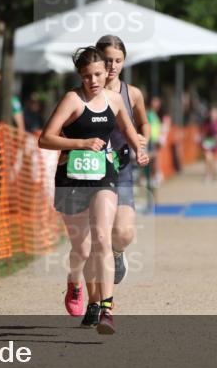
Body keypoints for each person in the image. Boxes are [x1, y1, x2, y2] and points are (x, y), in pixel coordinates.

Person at [38, 47, 148, 334]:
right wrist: (81, 144)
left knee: (102, 238)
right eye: (87, 76)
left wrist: (139, 149)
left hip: (103, 175)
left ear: (106, 72)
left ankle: (106, 309)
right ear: (79, 76)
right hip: (71, 178)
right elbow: (45, 139)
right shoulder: (72, 100)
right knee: (82, 248)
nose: (94, 80)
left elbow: (127, 129)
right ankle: (74, 282)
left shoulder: (114, 99)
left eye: (98, 74)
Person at [95, 35, 149, 287]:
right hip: (91, 169)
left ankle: (117, 254)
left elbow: (144, 123)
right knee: (94, 236)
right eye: (107, 60)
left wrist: (142, 142)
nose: (112, 66)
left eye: (118, 60)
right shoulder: (85, 93)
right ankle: (96, 299)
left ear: (124, 62)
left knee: (124, 233)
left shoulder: (133, 94)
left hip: (122, 167)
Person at [199, 106, 217, 183]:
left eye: (215, 113)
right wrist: (201, 138)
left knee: (214, 162)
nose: (213, 115)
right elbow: (202, 132)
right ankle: (207, 175)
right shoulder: (206, 122)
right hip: (208, 142)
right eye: (212, 113)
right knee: (207, 158)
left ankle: (214, 175)